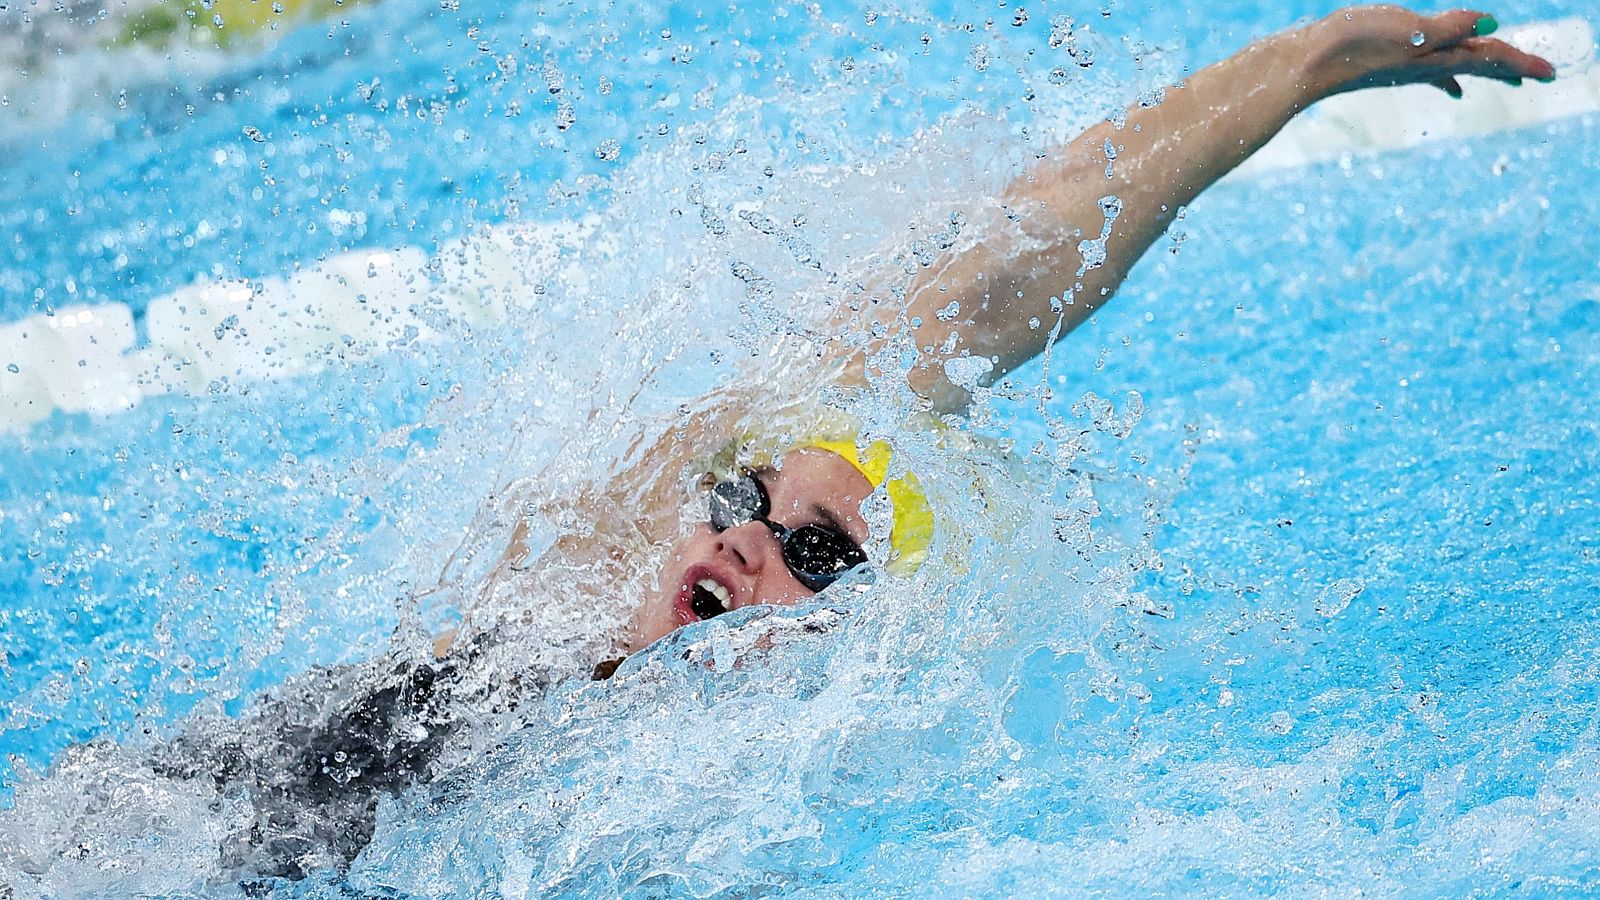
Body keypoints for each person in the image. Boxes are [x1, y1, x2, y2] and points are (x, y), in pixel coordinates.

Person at [44, 5, 1561, 883]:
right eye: (750, 501)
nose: (754, 537)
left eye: (820, 554)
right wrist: (1294, 66)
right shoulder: (563, 601)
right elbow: (1003, 265)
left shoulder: (793, 777)